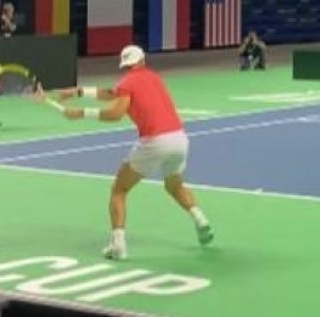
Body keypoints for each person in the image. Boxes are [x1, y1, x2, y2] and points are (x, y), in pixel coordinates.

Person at [48, 45, 213, 260]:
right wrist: (78, 92)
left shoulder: (129, 81)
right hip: (180, 139)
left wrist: (80, 112)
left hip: (155, 141)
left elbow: (116, 113)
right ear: (142, 60)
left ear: (125, 65)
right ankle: (200, 219)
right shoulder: (153, 78)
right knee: (175, 185)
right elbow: (112, 93)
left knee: (119, 190)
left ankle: (118, 246)